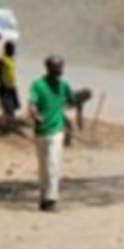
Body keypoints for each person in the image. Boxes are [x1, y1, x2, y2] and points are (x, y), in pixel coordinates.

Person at [28, 55, 76, 211]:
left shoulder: (64, 86)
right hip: (41, 131)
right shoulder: (38, 85)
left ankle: (51, 198)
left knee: (53, 164)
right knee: (43, 167)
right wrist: (36, 115)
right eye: (58, 67)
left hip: (56, 131)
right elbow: (32, 104)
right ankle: (43, 197)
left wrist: (69, 123)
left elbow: (72, 100)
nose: (61, 71)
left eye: (61, 67)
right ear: (49, 68)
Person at [0, 40, 20, 126]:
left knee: (14, 105)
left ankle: (10, 122)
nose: (13, 51)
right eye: (12, 49)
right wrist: (1, 83)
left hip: (12, 86)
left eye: (14, 49)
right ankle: (7, 123)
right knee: (7, 106)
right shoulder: (2, 60)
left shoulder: (12, 60)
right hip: (4, 86)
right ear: (7, 49)